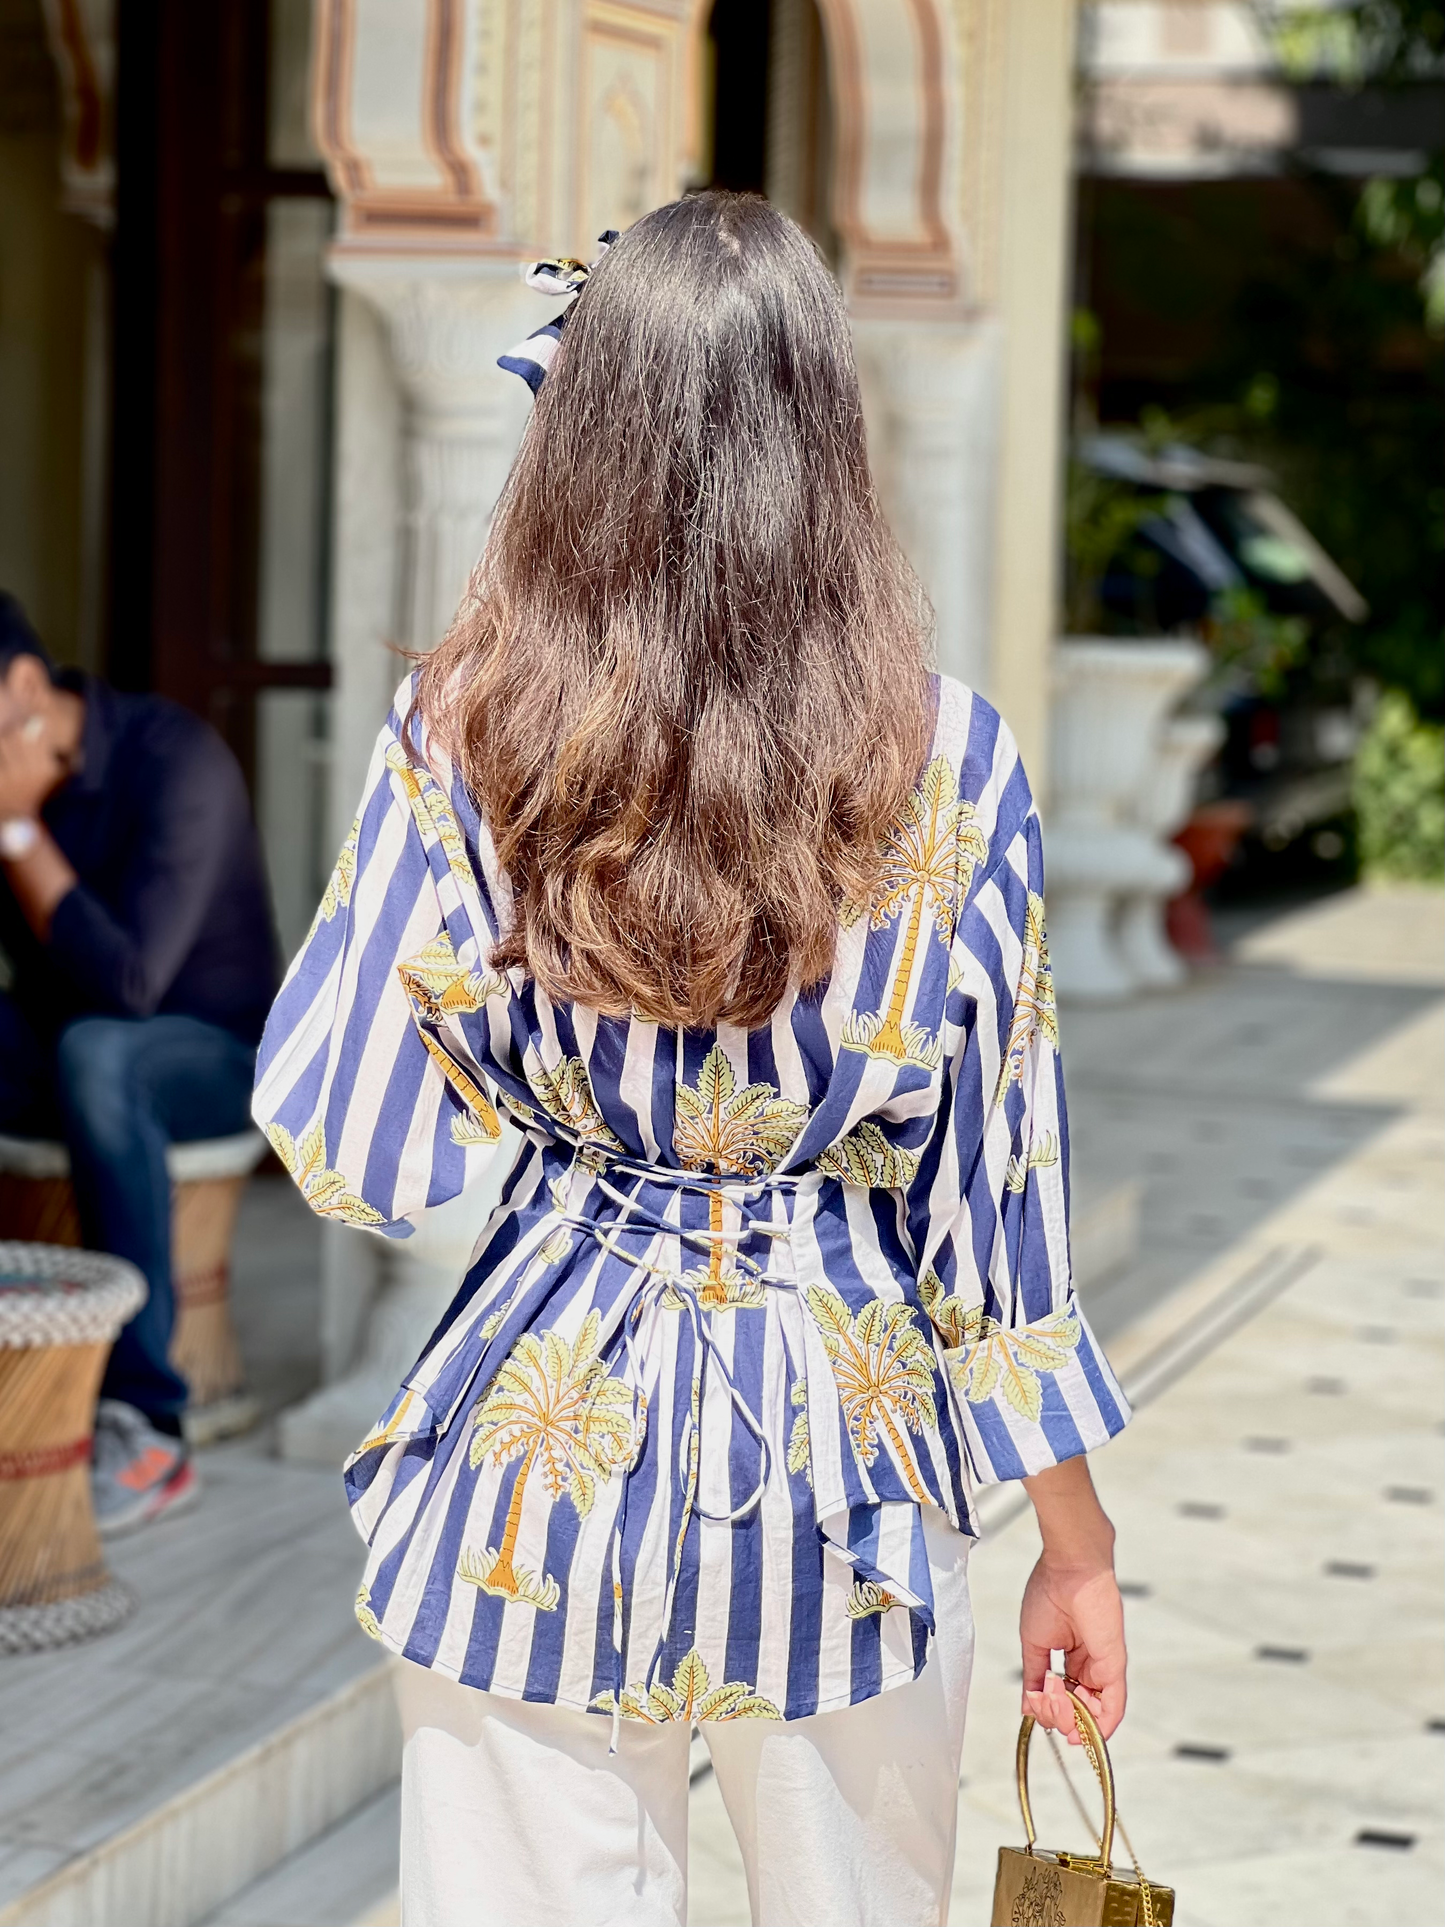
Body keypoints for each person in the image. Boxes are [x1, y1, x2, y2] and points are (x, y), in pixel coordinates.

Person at [254, 192, 1130, 1927]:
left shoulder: (472, 732)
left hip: (539, 1434)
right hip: (845, 1460)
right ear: (829, 431)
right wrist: (1079, 1545)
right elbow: (995, 1212)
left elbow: (357, 1146)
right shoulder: (955, 762)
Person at [0, 596, 277, 1531]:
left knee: (98, 1050)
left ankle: (149, 1425)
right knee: (78, 1049)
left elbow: (128, 986)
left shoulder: (178, 762)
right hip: (71, 1048)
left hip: (214, 1057)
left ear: (26, 689)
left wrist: (18, 834)